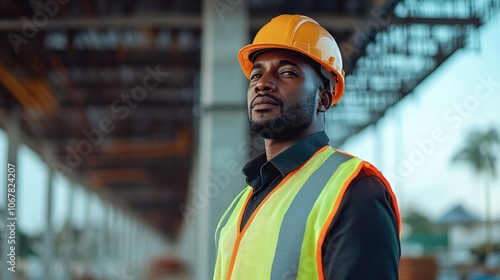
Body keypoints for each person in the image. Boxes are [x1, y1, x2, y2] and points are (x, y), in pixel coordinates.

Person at [213, 14, 401, 280]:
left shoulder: (354, 189)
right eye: (256, 74)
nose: (262, 84)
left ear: (323, 99)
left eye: (287, 72)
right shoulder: (239, 205)